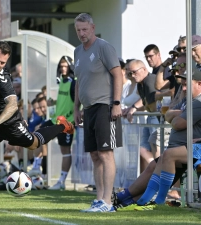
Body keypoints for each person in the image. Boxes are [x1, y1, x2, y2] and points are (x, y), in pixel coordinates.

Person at [73, 13, 123, 213]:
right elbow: (79, 82)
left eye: (85, 29)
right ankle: (99, 199)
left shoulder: (104, 47)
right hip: (89, 109)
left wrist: (117, 103)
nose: (81, 33)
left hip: (105, 106)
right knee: (94, 155)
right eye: (78, 30)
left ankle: (108, 202)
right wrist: (77, 108)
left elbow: (118, 73)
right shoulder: (77, 51)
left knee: (105, 153)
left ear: (92, 28)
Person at [135, 69, 201, 208]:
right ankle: (145, 198)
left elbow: (177, 124)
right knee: (162, 158)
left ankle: (158, 200)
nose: (183, 89)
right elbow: (167, 114)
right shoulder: (188, 100)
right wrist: (180, 113)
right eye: (182, 85)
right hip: (187, 147)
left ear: (199, 84)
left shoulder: (198, 101)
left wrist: (175, 115)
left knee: (168, 155)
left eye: (187, 84)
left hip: (196, 147)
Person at [46, 56, 76, 190]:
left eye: (65, 66)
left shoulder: (73, 82)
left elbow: (76, 104)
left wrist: (70, 118)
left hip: (67, 123)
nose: (63, 68)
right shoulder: (62, 82)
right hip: (56, 120)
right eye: (61, 66)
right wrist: (54, 103)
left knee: (65, 151)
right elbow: (65, 102)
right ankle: (36, 168)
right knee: (36, 134)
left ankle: (61, 181)